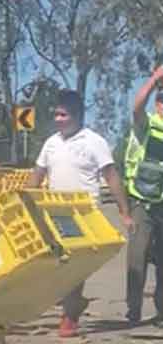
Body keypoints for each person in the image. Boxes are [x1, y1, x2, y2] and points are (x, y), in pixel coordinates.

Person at [27, 89, 132, 338]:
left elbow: (111, 177)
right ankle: (74, 304)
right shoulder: (51, 143)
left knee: (76, 267)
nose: (57, 119)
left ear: (77, 116)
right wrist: (25, 201)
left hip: (84, 214)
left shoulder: (94, 142)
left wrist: (124, 211)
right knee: (57, 267)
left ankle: (69, 318)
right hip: (55, 212)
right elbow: (37, 175)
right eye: (56, 114)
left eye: (63, 115)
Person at [125, 66, 163, 326]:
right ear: (159, 104)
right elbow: (137, 107)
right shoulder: (147, 124)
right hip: (142, 201)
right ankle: (133, 310)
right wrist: (154, 78)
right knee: (137, 259)